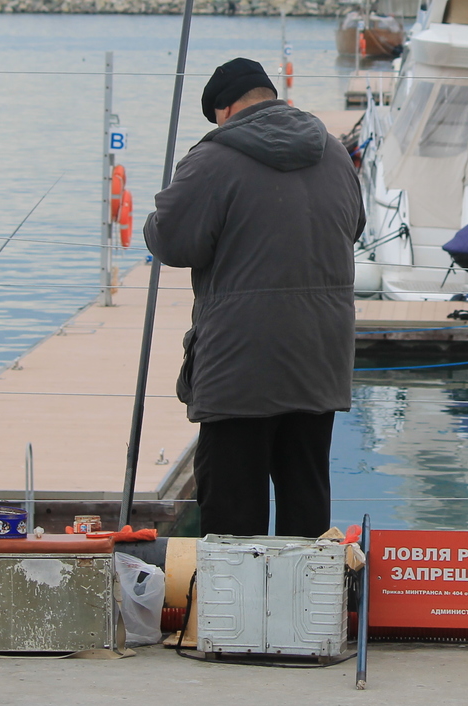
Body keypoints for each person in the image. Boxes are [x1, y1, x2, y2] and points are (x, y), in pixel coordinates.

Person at [144, 58, 364, 537]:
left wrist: (155, 218)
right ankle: (306, 610)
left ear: (224, 110)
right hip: (319, 361)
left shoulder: (213, 159)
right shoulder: (332, 153)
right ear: (270, 95)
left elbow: (174, 242)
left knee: (231, 518)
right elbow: (356, 227)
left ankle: (236, 614)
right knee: (306, 508)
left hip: (239, 367)